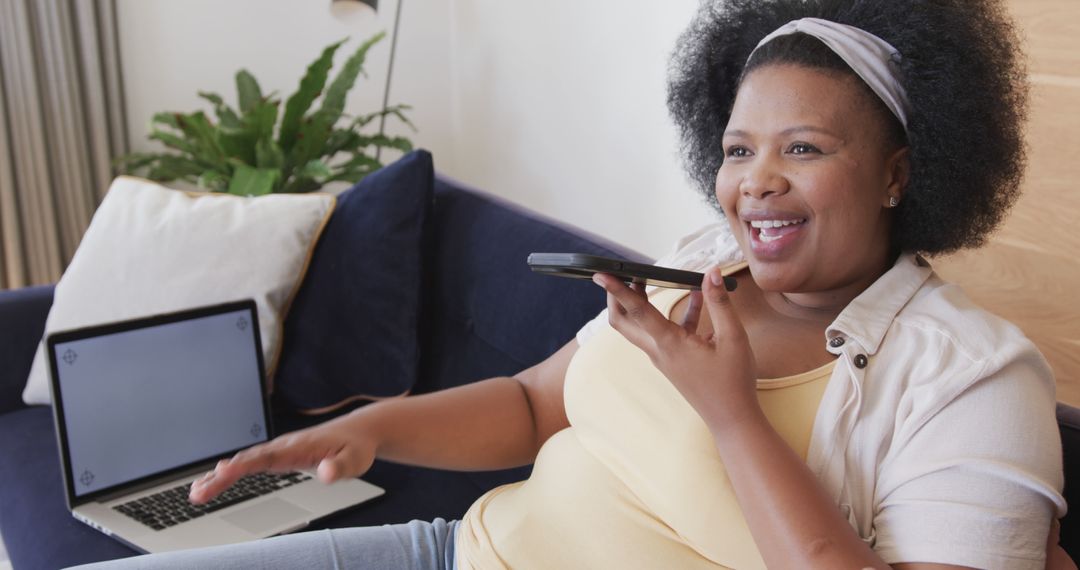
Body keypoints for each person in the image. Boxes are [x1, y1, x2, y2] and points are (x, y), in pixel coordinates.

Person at [75, 0, 1070, 568]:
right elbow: (531, 403)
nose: (754, 180)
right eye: (737, 149)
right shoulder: (698, 268)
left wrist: (734, 419)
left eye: (802, 148)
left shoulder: (974, 382)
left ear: (900, 170)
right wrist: (377, 425)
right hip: (453, 554)